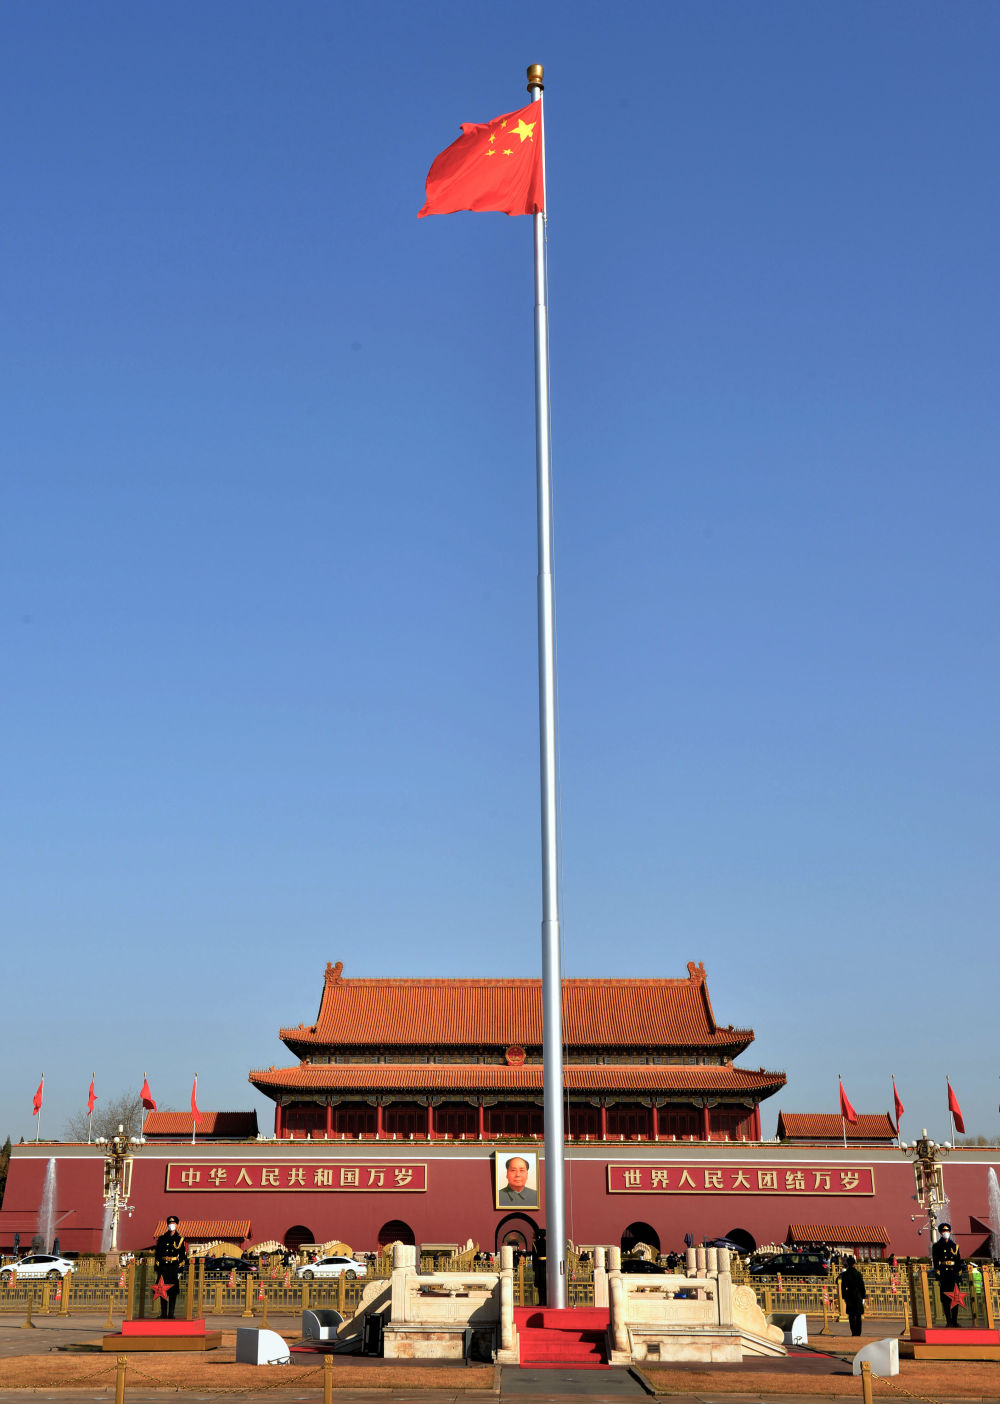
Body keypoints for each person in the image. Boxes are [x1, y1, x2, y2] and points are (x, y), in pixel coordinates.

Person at [153, 1215, 188, 1319]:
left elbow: (182, 1256)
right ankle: (163, 1313)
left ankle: (171, 1313)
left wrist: (180, 1269)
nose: (171, 1225)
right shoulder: (162, 1238)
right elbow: (158, 1254)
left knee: (172, 1291)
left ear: (176, 1225)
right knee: (161, 1289)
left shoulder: (180, 1239)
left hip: (173, 1267)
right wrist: (157, 1267)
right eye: (170, 1223)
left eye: (173, 1223)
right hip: (163, 1267)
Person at [932, 1224, 964, 1327]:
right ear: (940, 1232)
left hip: (953, 1274)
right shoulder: (937, 1246)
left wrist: (959, 1275)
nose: (946, 1232)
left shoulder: (955, 1245)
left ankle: (954, 1321)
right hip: (944, 1274)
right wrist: (938, 1274)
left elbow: (958, 1261)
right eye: (944, 1231)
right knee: (945, 1298)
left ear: (950, 1232)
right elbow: (936, 1261)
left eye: (947, 1231)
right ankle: (948, 1321)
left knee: (956, 1298)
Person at [838, 1256, 867, 1336]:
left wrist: (844, 1296)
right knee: (858, 1315)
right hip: (857, 1295)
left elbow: (843, 1287)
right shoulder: (858, 1274)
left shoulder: (845, 1274)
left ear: (848, 1264)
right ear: (854, 1264)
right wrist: (863, 1296)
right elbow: (862, 1285)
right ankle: (858, 1332)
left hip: (849, 1294)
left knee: (851, 1315)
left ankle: (853, 1332)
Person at [531, 1228, 547, 1306]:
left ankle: (541, 1301)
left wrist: (534, 1267)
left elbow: (534, 1256)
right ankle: (546, 1301)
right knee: (546, 1284)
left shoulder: (535, 1244)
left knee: (540, 1285)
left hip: (539, 1266)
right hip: (547, 1265)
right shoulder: (548, 1243)